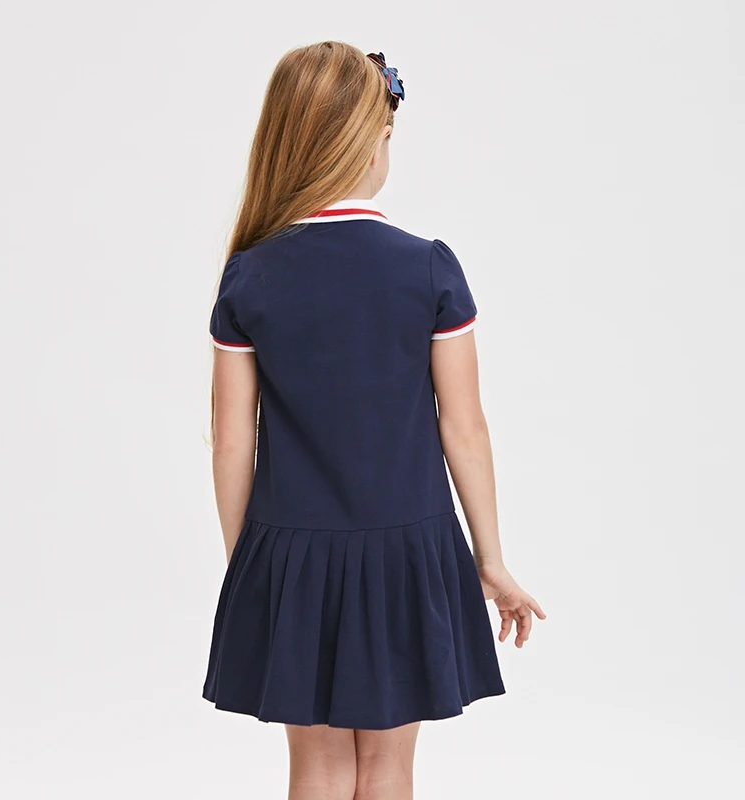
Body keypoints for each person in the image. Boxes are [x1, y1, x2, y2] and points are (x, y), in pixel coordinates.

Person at [202, 40, 546, 800]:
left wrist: (249, 564)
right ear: (375, 139)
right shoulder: (427, 267)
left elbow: (230, 439)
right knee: (388, 769)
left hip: (292, 550)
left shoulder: (249, 274)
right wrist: (490, 559)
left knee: (317, 768)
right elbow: (464, 426)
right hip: (408, 547)